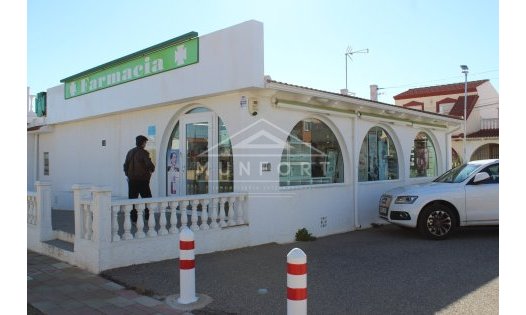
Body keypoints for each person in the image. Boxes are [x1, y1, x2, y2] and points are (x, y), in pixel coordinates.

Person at [123, 135, 155, 223]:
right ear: (143, 143)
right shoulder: (144, 153)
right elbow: (149, 165)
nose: (145, 144)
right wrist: (152, 170)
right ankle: (148, 218)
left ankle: (134, 219)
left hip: (132, 180)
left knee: (133, 200)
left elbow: (125, 165)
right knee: (148, 200)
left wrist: (128, 175)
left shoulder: (130, 152)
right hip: (142, 181)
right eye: (145, 142)